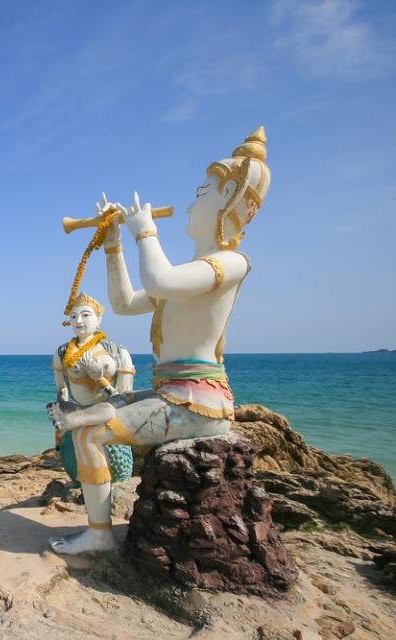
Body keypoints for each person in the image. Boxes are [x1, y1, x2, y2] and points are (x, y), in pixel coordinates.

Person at [47, 127, 271, 555]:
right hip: (171, 392)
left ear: (228, 198)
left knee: (90, 432)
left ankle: (98, 536)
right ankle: (98, 529)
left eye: (202, 193)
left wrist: (144, 232)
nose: (190, 204)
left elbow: (160, 278)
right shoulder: (191, 271)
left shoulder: (230, 262)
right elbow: (127, 302)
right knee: (88, 418)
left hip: (198, 401)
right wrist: (114, 245)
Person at [51, 292, 135, 485]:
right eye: (73, 316)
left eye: (86, 315)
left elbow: (125, 399)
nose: (78, 321)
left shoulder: (118, 351)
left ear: (99, 318)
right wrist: (60, 415)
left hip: (107, 419)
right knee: (79, 472)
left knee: (117, 473)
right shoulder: (62, 353)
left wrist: (101, 379)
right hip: (77, 420)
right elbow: (61, 389)